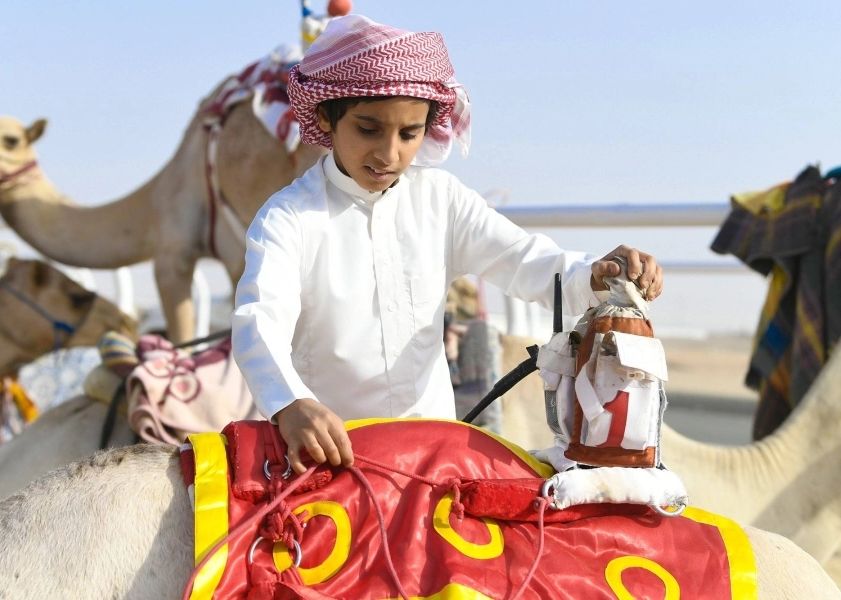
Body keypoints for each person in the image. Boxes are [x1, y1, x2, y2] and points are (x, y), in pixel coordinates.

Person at [232, 14, 663, 475]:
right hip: (332, 460)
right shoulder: (289, 217)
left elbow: (524, 261)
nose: (389, 153)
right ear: (325, 117)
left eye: (409, 133)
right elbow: (259, 321)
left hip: (434, 462)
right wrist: (291, 404)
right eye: (368, 129)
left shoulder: (442, 200)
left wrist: (597, 274)